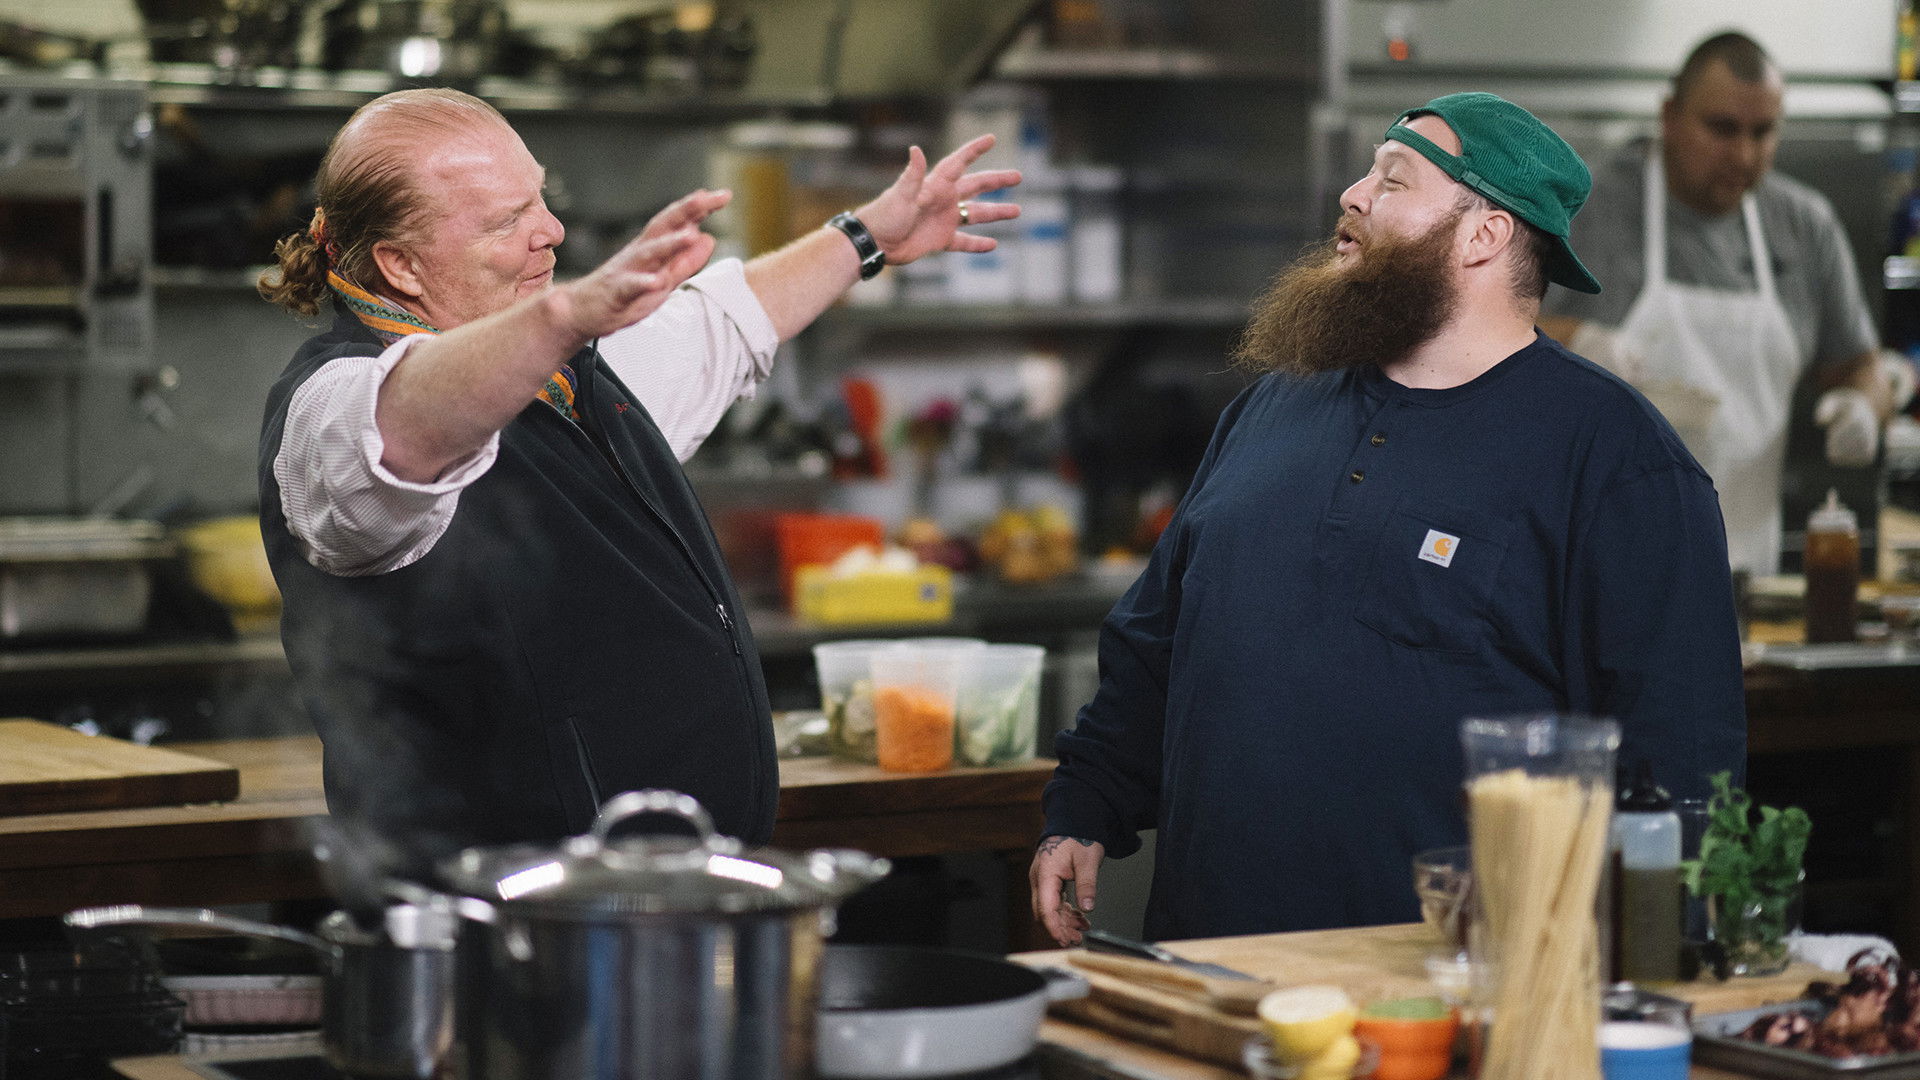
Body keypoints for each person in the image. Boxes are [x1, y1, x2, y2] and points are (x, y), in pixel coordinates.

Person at [1029, 92, 1747, 946]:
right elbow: (1156, 641)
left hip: (1441, 986)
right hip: (1208, 961)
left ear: (1484, 234)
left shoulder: (1620, 461)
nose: (1353, 195)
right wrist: (1085, 804)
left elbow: (1681, 757)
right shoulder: (1271, 406)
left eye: (1393, 180)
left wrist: (1652, 978)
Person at [256, 88, 1019, 873]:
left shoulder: (573, 371)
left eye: (540, 200)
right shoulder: (333, 411)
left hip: (659, 904)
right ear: (400, 266)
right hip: (497, 931)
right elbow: (405, 424)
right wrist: (565, 317)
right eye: (505, 222)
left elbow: (723, 321)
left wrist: (868, 236)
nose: (550, 234)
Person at [1539, 31, 1910, 575]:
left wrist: (1864, 408)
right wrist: (1575, 341)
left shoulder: (1805, 227)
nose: (1743, 154)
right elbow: (1475, 341)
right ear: (1669, 115)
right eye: (1722, 129)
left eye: (1763, 133)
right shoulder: (1586, 207)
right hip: (1590, 570)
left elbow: (1858, 365)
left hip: (1742, 575)